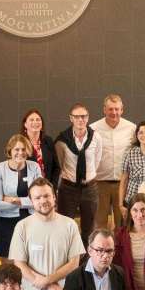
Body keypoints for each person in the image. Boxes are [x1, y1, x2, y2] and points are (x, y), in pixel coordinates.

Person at [9, 177, 86, 290]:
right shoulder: (22, 226)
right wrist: (47, 284)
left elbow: (74, 262)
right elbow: (19, 264)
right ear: (31, 201)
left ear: (54, 197)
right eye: (37, 198)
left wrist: (47, 281)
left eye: (46, 196)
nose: (43, 201)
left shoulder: (69, 224)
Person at [55, 103, 104, 243]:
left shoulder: (96, 137)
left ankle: (86, 259)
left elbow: (97, 160)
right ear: (71, 118)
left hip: (90, 187)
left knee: (89, 227)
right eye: (77, 117)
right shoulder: (62, 140)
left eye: (83, 116)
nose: (80, 120)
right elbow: (60, 163)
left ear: (88, 118)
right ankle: (68, 258)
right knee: (65, 226)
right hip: (68, 188)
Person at [0, 133, 42, 259]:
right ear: (10, 151)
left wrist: (16, 200)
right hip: (6, 221)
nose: (20, 153)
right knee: (7, 259)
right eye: (16, 149)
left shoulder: (34, 167)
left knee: (30, 257)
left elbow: (40, 198)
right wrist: (29, 201)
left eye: (23, 149)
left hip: (30, 219)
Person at [91, 94, 137, 230]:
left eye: (117, 109)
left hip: (123, 183)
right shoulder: (93, 129)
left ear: (122, 110)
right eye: (110, 109)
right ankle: (99, 250)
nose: (114, 112)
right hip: (100, 183)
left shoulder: (131, 128)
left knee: (122, 224)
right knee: (99, 223)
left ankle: (120, 251)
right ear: (104, 109)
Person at [21, 108, 59, 183]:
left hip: (47, 187)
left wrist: (52, 188)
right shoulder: (20, 143)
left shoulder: (48, 141)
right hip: (27, 189)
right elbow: (17, 169)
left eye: (38, 119)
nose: (35, 122)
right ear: (25, 124)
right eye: (31, 120)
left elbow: (56, 167)